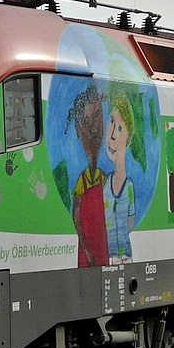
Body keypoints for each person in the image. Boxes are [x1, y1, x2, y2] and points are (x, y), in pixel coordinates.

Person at [67, 84, 109, 267]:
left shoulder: (104, 179)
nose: (93, 129)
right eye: (85, 122)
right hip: (88, 253)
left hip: (103, 248)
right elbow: (77, 219)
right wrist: (86, 250)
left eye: (97, 115)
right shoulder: (81, 182)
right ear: (78, 130)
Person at [104, 93, 136, 264]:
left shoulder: (129, 187)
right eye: (111, 122)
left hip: (124, 256)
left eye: (120, 128)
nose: (112, 135)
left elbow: (131, 222)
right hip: (108, 256)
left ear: (128, 138)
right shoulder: (104, 185)